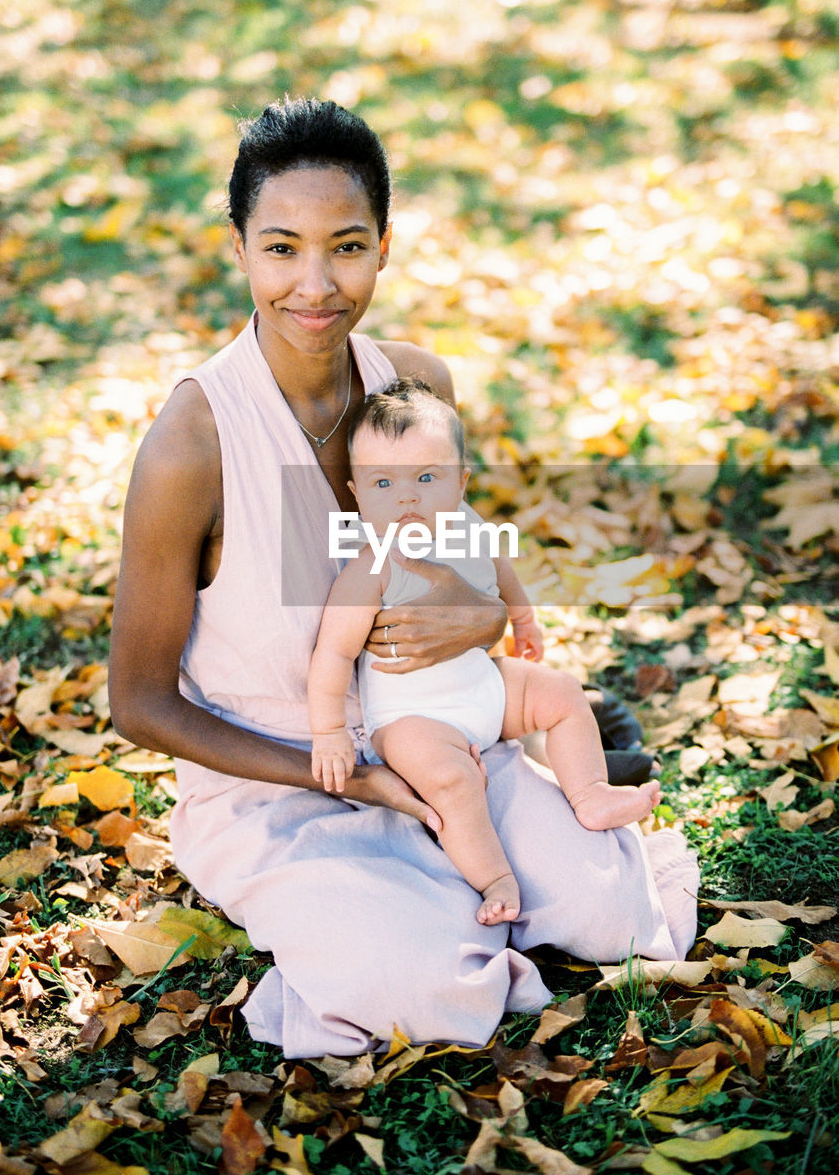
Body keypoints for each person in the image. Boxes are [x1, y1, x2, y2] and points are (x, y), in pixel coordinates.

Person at [109, 96, 699, 1058]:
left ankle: (524, 830)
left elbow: (461, 562)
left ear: (385, 245)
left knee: (617, 918)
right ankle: (388, 909)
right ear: (239, 247)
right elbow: (137, 702)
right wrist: (351, 778)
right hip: (289, 783)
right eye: (281, 247)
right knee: (422, 992)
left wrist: (472, 620)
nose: (315, 284)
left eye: (346, 246)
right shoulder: (192, 444)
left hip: (449, 733)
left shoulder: (414, 386)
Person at [309, 378, 660, 927]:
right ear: (356, 492)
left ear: (461, 483)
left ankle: (591, 792)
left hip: (484, 687)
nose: (406, 498)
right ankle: (493, 876)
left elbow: (499, 570)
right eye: (383, 483)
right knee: (452, 782)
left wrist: (521, 617)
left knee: (563, 693)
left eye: (427, 478)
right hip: (411, 719)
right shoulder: (370, 569)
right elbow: (332, 656)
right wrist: (328, 731)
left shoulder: (468, 527)